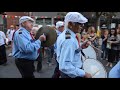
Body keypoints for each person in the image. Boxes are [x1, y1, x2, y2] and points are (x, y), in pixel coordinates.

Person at [57, 12, 92, 78]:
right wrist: (84, 73)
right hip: (71, 74)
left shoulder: (66, 35)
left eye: (83, 24)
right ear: (70, 24)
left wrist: (80, 48)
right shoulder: (69, 40)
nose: (82, 27)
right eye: (80, 24)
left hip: (68, 73)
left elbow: (70, 54)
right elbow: (65, 66)